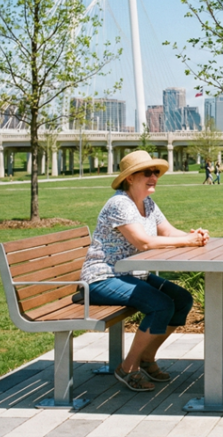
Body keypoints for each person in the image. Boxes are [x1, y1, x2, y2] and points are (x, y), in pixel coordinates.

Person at [80, 150, 209, 392]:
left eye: (156, 172)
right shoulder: (120, 203)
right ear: (130, 178)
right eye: (147, 172)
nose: (154, 177)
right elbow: (144, 242)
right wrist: (188, 242)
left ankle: (147, 358)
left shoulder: (147, 203)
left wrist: (194, 236)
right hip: (102, 278)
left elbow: (168, 232)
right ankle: (128, 367)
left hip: (131, 274)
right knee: (161, 304)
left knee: (181, 299)